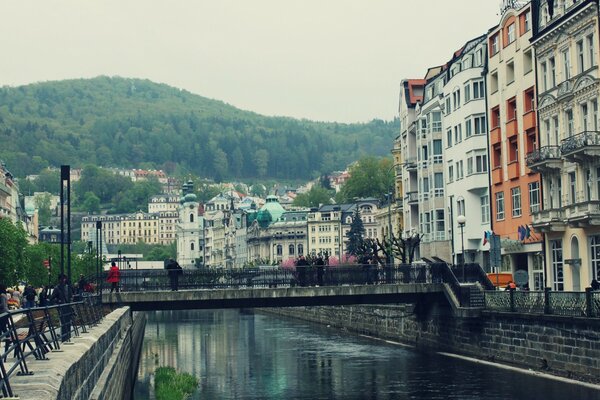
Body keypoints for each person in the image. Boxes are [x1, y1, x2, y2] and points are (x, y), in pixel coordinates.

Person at [50, 274, 73, 342]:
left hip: (66, 306)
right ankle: (64, 335)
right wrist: (58, 301)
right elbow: (52, 298)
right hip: (62, 307)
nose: (63, 280)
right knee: (63, 321)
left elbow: (71, 296)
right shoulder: (57, 288)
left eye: (64, 279)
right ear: (59, 279)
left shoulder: (67, 287)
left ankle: (66, 335)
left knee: (67, 321)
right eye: (62, 279)